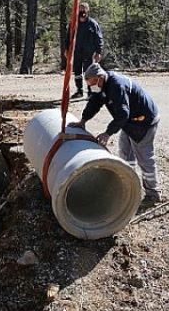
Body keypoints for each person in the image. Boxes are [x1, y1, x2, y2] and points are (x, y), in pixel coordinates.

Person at [69, 63, 162, 208]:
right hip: (129, 121)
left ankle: (153, 194)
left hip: (144, 121)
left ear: (99, 78)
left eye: (92, 83)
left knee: (144, 158)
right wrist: (83, 121)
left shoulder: (116, 86)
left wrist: (107, 133)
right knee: (125, 153)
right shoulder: (102, 85)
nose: (91, 87)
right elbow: (94, 103)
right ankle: (128, 185)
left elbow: (123, 114)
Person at [64, 1, 104, 99]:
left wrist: (99, 52)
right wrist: (66, 49)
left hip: (89, 53)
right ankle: (79, 91)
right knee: (77, 72)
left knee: (89, 72)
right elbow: (68, 37)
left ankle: (90, 92)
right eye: (80, 9)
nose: (82, 11)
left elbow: (99, 38)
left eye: (84, 9)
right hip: (76, 51)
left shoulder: (93, 24)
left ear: (88, 10)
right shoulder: (73, 23)